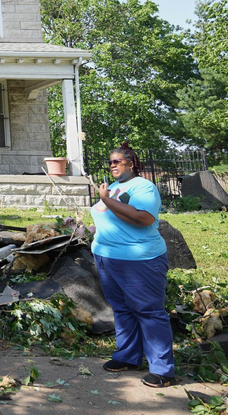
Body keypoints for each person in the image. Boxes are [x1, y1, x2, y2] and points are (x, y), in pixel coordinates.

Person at [91, 142, 176, 388]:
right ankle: (128, 357)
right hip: (107, 257)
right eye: (110, 162)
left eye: (116, 161)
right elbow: (110, 218)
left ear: (131, 163)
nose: (112, 165)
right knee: (122, 309)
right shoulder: (113, 187)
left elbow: (143, 218)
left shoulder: (143, 187)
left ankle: (162, 370)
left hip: (139, 260)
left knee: (149, 311)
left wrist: (106, 200)